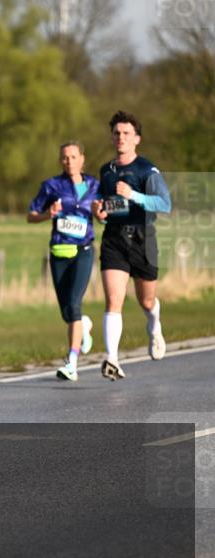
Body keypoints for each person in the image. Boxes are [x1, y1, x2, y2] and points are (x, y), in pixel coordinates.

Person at [92, 111, 171, 381]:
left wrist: (134, 195)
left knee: (146, 300)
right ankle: (112, 358)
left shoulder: (147, 170)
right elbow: (107, 206)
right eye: (116, 133)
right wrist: (100, 212)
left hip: (142, 239)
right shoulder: (106, 171)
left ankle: (154, 325)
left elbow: (164, 204)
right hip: (114, 239)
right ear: (112, 137)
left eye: (126, 133)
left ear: (136, 139)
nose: (121, 137)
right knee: (114, 300)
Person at [27, 142, 99, 382]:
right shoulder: (52, 186)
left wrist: (101, 213)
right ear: (61, 161)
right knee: (67, 311)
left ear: (82, 159)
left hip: (84, 250)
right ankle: (83, 326)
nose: (69, 161)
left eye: (74, 157)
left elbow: (106, 213)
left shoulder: (94, 186)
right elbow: (31, 215)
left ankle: (72, 363)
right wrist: (49, 214)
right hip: (59, 252)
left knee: (74, 304)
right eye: (65, 158)